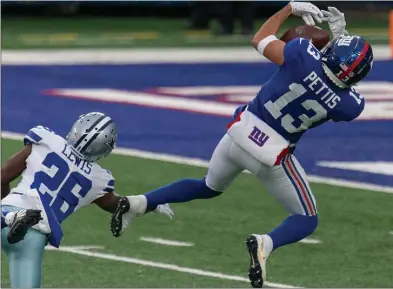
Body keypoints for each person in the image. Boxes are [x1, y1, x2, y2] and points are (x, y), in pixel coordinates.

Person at [110, 2, 373, 288]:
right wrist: (339, 40)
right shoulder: (351, 106)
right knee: (306, 219)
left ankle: (139, 202)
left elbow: (260, 39)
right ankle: (265, 243)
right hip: (270, 153)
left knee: (208, 186)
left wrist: (288, 9)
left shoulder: (300, 52)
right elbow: (337, 82)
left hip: (240, 132)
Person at [1, 112, 173, 288]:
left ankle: (9, 216)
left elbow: (2, 177)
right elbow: (118, 206)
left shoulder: (46, 141)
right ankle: (12, 217)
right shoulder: (98, 179)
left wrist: (5, 202)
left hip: (10, 208)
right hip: (35, 234)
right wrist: (151, 202)